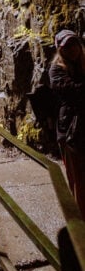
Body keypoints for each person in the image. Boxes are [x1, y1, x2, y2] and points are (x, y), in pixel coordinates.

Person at [48, 29, 85, 217]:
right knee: (79, 180)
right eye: (67, 46)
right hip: (71, 131)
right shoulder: (56, 70)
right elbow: (72, 92)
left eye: (74, 44)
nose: (72, 49)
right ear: (60, 49)